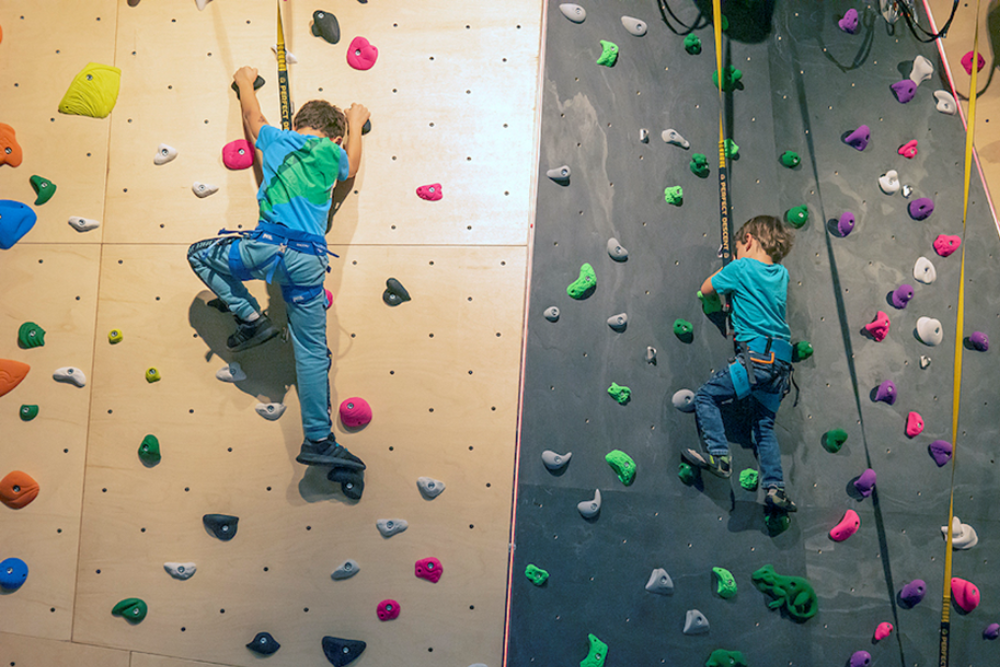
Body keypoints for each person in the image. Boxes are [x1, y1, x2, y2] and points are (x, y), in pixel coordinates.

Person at [187, 66, 369, 470]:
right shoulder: (332, 153)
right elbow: (352, 167)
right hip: (307, 262)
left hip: (265, 250)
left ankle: (252, 319)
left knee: (200, 254)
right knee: (310, 351)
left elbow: (254, 120)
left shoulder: (277, 139)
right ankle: (319, 440)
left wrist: (246, 83)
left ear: (299, 125)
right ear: (334, 136)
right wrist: (356, 124)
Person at [681, 215, 797, 512]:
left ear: (748, 241)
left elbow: (707, 289)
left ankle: (719, 455)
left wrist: (729, 279)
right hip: (782, 364)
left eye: (737, 248)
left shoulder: (741, 267)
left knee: (707, 397)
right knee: (763, 425)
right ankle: (775, 488)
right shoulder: (781, 274)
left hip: (757, 358)